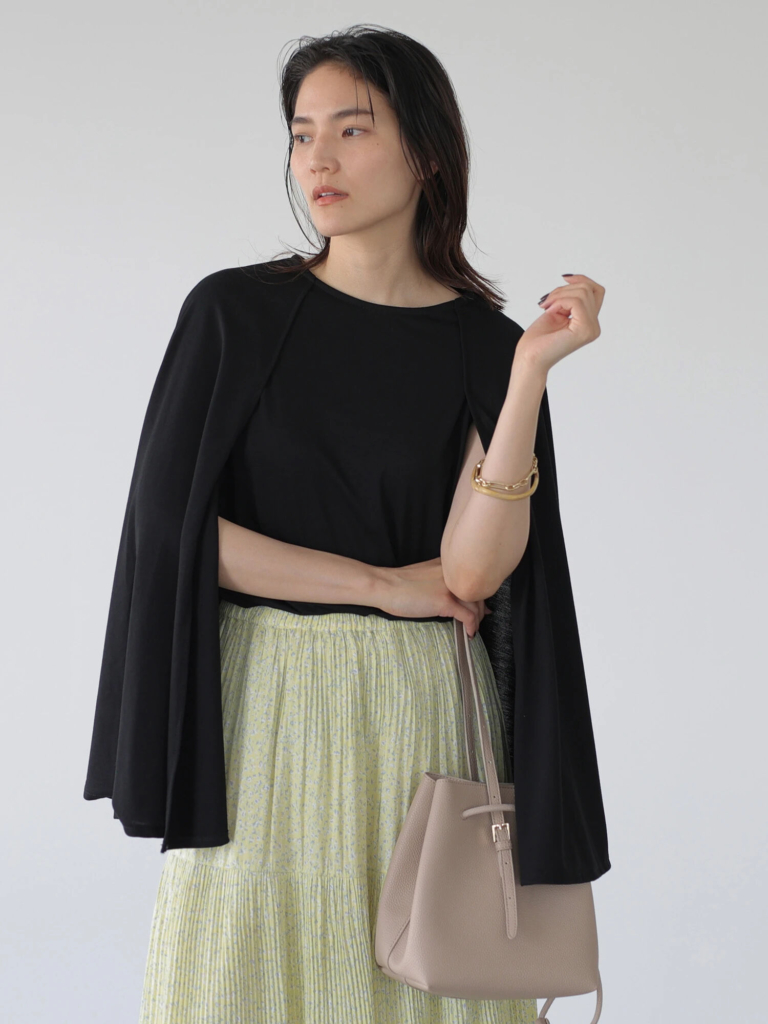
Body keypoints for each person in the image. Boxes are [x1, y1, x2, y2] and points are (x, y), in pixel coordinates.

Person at [96, 23, 606, 1024]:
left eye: (352, 129)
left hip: (427, 711)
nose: (317, 159)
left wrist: (527, 379)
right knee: (237, 981)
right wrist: (378, 585)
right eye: (301, 134)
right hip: (263, 703)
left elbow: (472, 571)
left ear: (426, 152)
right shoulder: (234, 315)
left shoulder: (487, 344)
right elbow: (176, 536)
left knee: (433, 984)